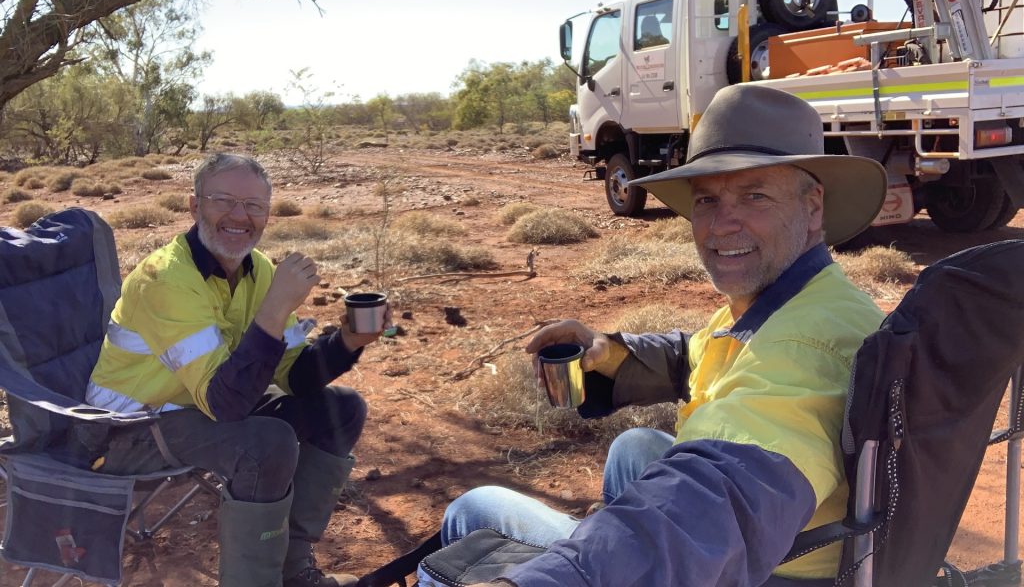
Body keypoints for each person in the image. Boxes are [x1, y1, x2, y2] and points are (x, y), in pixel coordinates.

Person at [443, 84, 889, 586]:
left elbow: (718, 494)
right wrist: (609, 352)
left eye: (754, 195)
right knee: (636, 446)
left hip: (761, 570)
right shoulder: (800, 300)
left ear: (812, 207)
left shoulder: (803, 344)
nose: (721, 226)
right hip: (798, 545)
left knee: (472, 511)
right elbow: (698, 355)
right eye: (707, 201)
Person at [81, 153, 383, 587]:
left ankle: (293, 569)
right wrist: (278, 306)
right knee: (265, 443)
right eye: (223, 201)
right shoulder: (166, 279)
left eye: (254, 206)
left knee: (343, 408)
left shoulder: (256, 269)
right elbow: (226, 404)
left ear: (266, 214)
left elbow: (292, 377)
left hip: (196, 405)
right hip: (127, 429)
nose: (239, 216)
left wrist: (349, 342)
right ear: (194, 206)